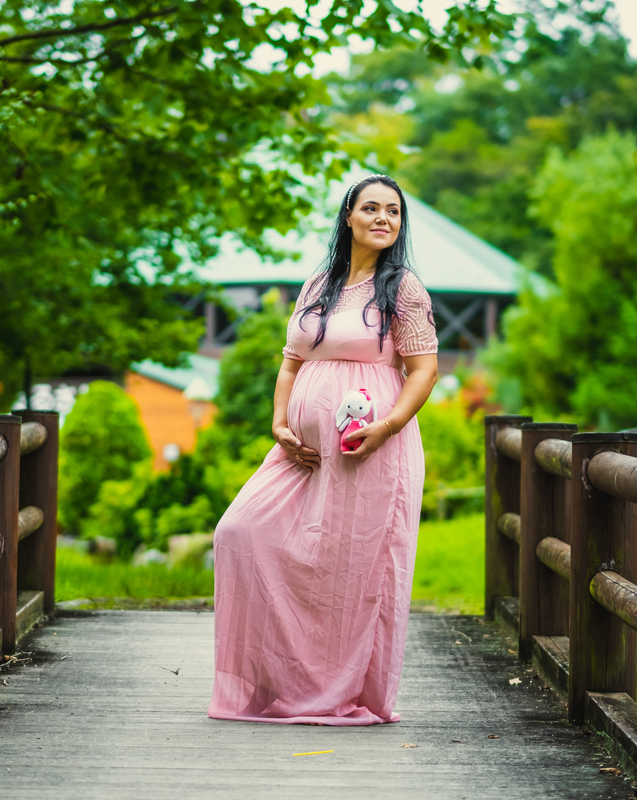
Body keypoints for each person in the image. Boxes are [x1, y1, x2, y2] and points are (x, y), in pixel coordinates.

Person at [208, 174, 439, 725]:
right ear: (349, 218)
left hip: (371, 446)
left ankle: (337, 691)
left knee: (349, 568)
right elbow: (291, 362)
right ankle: (278, 682)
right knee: (240, 530)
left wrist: (386, 426)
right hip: (303, 451)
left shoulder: (403, 287)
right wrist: (279, 424)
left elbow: (423, 369)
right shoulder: (321, 283)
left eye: (394, 212)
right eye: (372, 209)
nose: (384, 219)